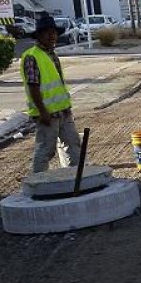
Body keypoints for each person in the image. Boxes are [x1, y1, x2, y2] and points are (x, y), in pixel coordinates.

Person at [20, 15, 81, 173]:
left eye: (53, 32)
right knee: (46, 150)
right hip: (47, 113)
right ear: (39, 35)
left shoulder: (52, 54)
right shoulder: (32, 56)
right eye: (47, 32)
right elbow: (33, 86)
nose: (51, 36)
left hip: (63, 110)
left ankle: (74, 177)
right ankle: (38, 182)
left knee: (73, 144)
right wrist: (43, 111)